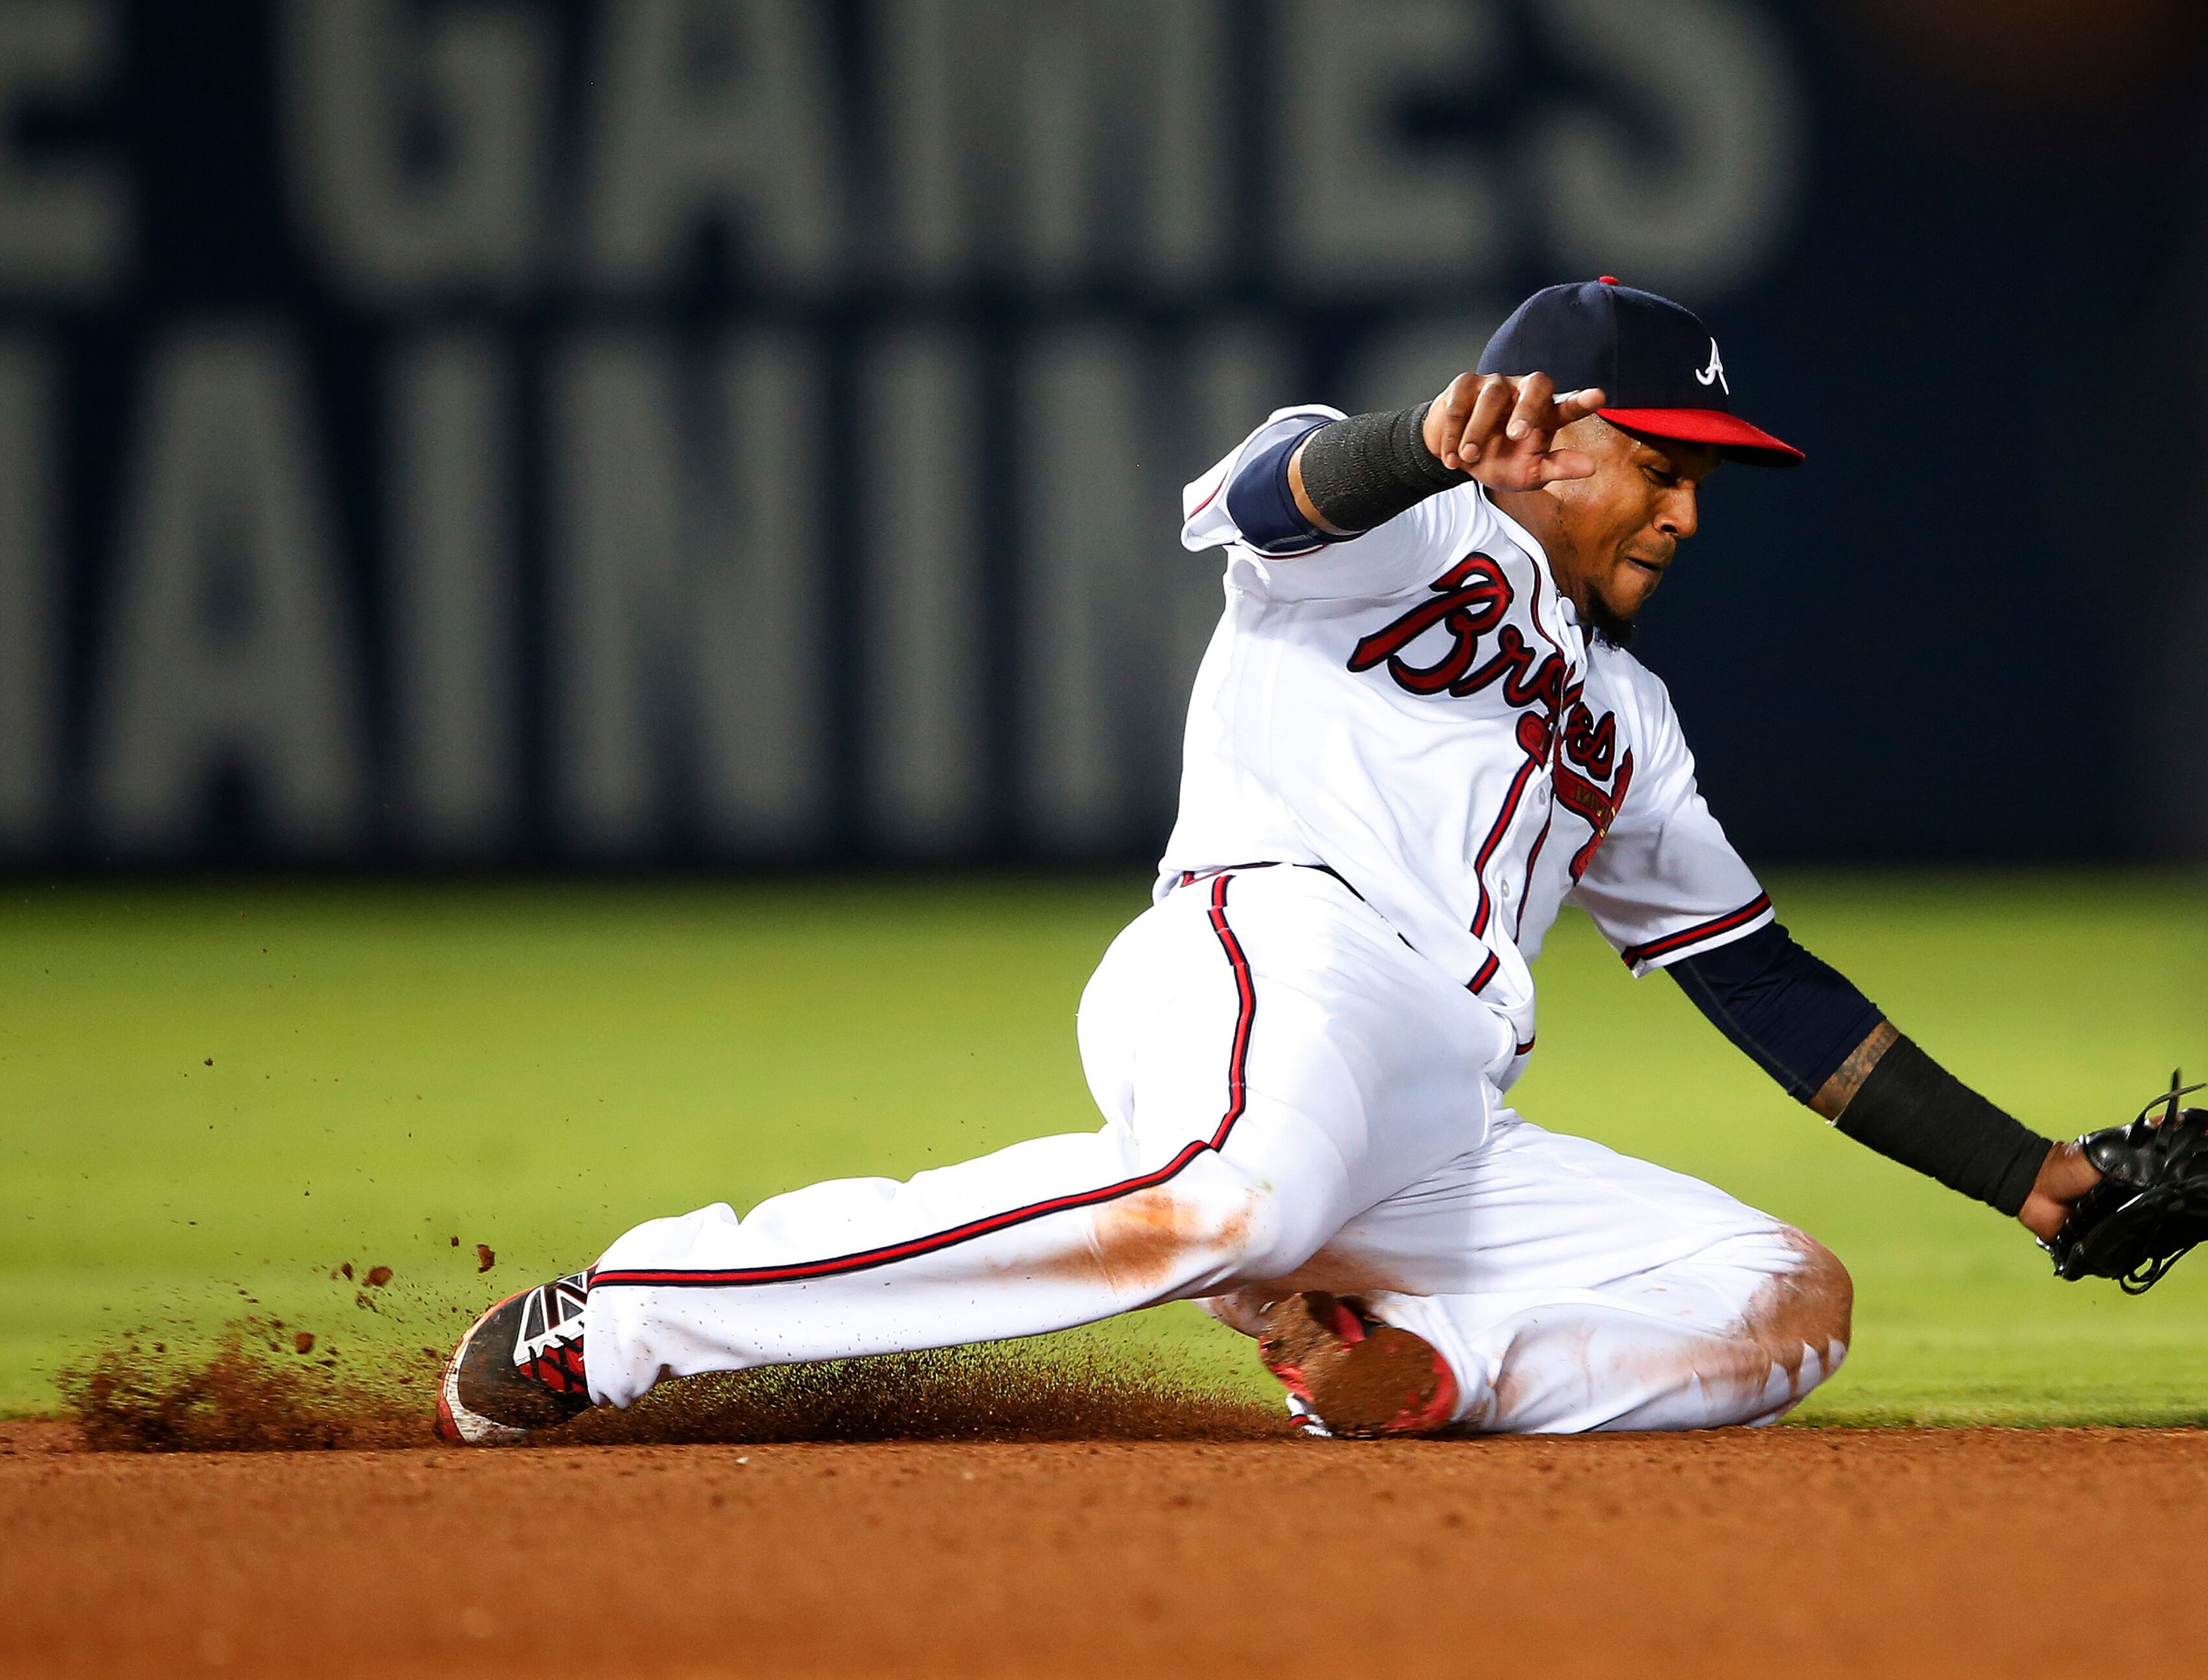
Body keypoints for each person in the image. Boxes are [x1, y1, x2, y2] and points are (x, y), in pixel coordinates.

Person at [436, 279, 2102, 1445]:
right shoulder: (1409, 517)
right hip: (1274, 958)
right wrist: (1426, 443)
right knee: (1222, 1198)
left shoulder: (1637, 723)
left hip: (1446, 1106)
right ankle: (636, 1310)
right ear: (1552, 430)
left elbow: (1760, 982)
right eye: (1662, 466)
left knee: (1778, 1294)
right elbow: (1268, 499)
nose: (1685, 512)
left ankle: (1413, 1367)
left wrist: (2038, 1183)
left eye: (1701, 482)